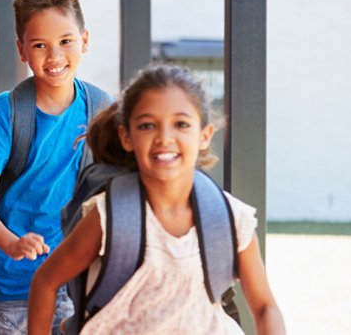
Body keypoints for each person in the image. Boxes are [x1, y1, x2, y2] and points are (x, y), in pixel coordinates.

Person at [28, 64, 285, 334]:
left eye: (181, 124)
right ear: (127, 137)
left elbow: (265, 307)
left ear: (205, 136)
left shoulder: (230, 219)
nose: (165, 137)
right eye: (147, 125)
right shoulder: (112, 217)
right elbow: (46, 281)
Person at [0, 0, 107, 334]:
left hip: (75, 275)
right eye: (40, 45)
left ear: (84, 41)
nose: (55, 56)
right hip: (12, 282)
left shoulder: (102, 110)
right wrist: (11, 243)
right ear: (21, 49)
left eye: (66, 42)